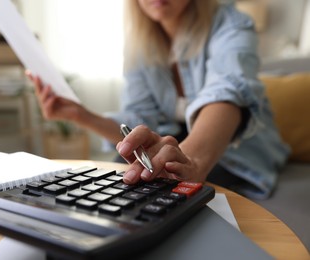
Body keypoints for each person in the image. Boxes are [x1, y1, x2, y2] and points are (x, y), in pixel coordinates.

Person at [28, 0, 290, 199]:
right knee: (131, 167)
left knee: (163, 183)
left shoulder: (232, 24)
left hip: (234, 150)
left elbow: (228, 91)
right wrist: (79, 115)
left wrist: (192, 161)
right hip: (181, 139)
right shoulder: (142, 46)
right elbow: (137, 121)